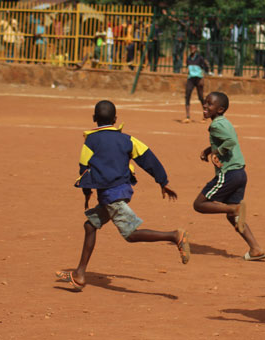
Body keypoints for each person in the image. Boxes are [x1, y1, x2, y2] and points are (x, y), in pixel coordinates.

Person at [55, 100, 190, 291]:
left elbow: (84, 169)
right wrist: (162, 181)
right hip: (121, 190)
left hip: (111, 194)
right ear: (115, 119)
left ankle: (174, 235)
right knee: (90, 225)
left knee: (131, 234)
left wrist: (86, 192)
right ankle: (80, 274)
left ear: (94, 118)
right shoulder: (127, 139)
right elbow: (147, 157)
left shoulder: (90, 141)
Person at [195, 92, 265, 261]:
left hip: (228, 174)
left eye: (210, 104)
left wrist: (217, 153)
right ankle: (255, 248)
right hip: (240, 173)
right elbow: (228, 139)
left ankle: (233, 208)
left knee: (199, 204)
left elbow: (230, 141)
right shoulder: (224, 122)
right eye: (205, 102)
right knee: (232, 217)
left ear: (220, 109)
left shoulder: (215, 125)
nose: (205, 106)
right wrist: (209, 150)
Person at [183, 44, 210, 124]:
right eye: (191, 48)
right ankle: (187, 116)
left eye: (194, 48)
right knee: (187, 95)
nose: (192, 49)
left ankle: (205, 115)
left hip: (198, 79)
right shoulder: (188, 58)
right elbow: (188, 68)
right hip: (191, 78)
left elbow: (206, 67)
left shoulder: (200, 58)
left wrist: (203, 77)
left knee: (201, 97)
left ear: (196, 49)